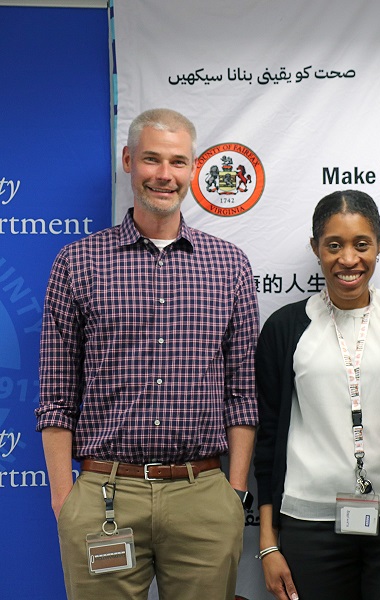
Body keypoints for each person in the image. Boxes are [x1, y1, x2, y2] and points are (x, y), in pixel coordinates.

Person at [36, 108, 259, 599]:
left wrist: (234, 494)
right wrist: (64, 499)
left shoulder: (229, 266)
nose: (164, 175)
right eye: (152, 160)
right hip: (104, 496)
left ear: (195, 169)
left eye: (178, 162)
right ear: (128, 160)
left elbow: (243, 395)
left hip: (202, 494)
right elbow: (55, 396)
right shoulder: (77, 263)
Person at [253, 190, 380, 600]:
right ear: (316, 248)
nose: (348, 259)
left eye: (361, 244)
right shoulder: (285, 327)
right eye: (334, 245)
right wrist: (267, 541)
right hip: (311, 524)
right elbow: (269, 438)